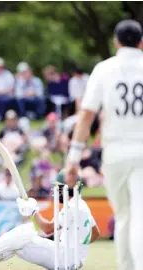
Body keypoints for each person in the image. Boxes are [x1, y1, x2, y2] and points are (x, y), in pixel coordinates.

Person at [65, 19, 143, 270]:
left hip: (115, 153)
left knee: (123, 218)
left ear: (116, 42)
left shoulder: (104, 68)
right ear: (141, 42)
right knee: (139, 217)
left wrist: (73, 159)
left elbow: (86, 115)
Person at [0, 170, 100, 270]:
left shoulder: (72, 207)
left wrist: (33, 211)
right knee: (19, 242)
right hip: (70, 259)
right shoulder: (82, 205)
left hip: (64, 260)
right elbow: (95, 233)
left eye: (58, 187)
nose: (55, 191)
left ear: (69, 188)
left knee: (22, 233)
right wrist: (76, 243)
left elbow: (48, 228)